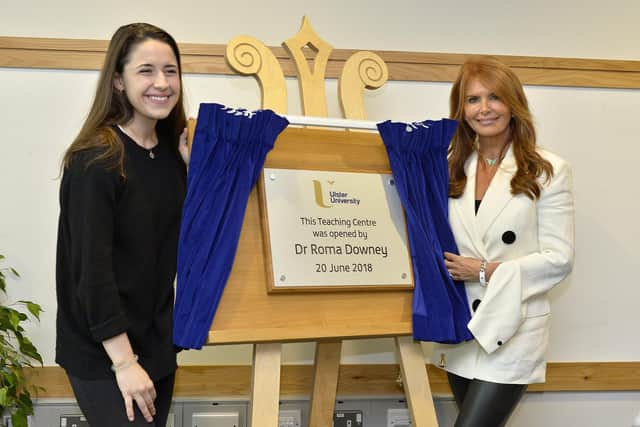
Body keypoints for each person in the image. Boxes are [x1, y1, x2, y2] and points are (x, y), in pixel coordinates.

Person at [56, 23, 189, 426]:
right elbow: (91, 275)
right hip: (106, 353)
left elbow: (184, 249)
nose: (162, 83)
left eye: (171, 70)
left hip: (157, 347)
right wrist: (124, 363)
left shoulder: (173, 157)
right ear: (118, 81)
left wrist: (192, 173)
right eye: (146, 70)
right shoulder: (96, 159)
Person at [436, 56, 575, 427]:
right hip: (463, 325)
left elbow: (559, 259)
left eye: (494, 98)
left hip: (513, 327)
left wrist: (484, 270)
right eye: (473, 99)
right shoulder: (448, 167)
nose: (484, 109)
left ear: (513, 104)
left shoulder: (548, 170)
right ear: (461, 109)